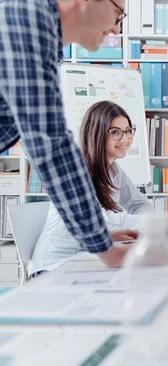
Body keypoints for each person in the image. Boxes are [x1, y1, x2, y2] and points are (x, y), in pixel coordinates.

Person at [0, 0, 135, 269]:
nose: (118, 30)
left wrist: (98, 238)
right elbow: (51, 145)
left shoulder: (44, 38)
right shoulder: (27, 19)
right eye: (118, 14)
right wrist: (107, 252)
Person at [31, 101, 153, 273]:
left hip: (86, 257)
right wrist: (155, 224)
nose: (125, 139)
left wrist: (141, 228)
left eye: (128, 131)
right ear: (96, 133)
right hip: (54, 267)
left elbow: (139, 204)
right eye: (116, 132)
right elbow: (102, 222)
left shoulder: (114, 171)